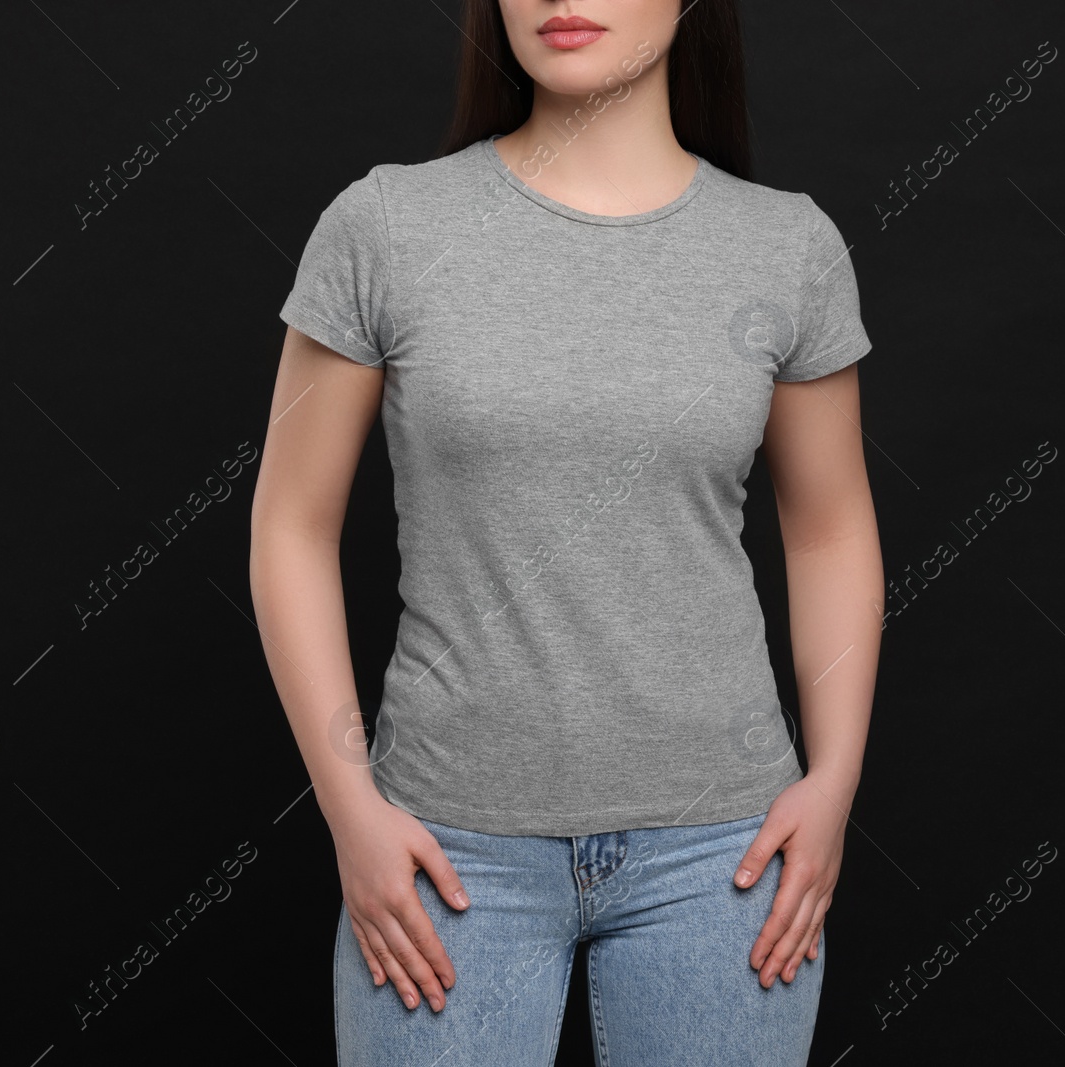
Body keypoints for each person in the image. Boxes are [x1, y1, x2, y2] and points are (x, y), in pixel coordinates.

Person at [247, 1, 882, 1063]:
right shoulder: (387, 227)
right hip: (444, 853)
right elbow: (289, 528)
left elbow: (828, 529)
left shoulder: (786, 247)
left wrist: (835, 779)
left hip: (723, 853)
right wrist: (349, 804)